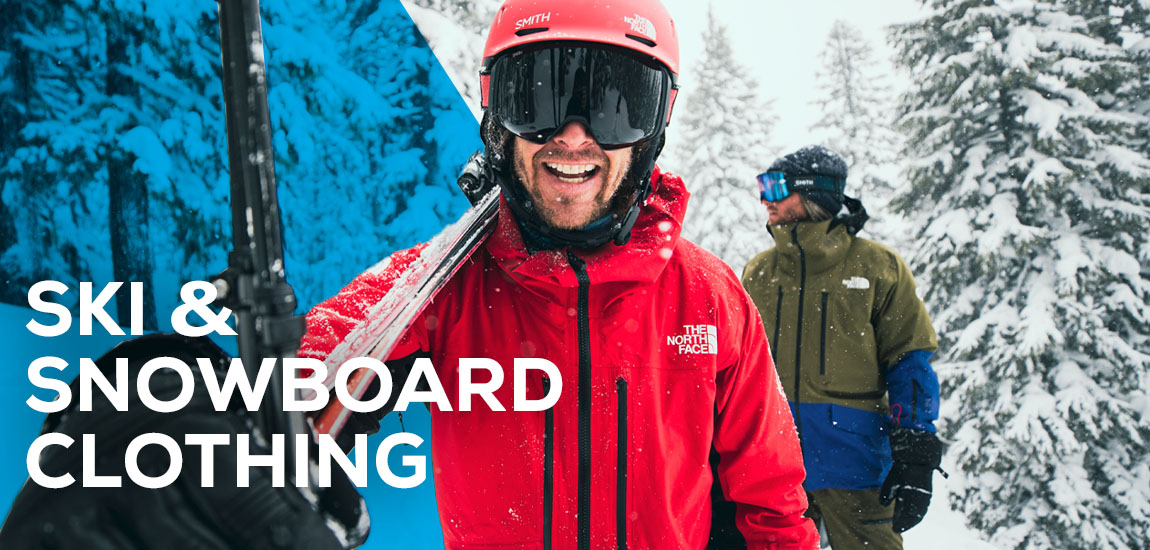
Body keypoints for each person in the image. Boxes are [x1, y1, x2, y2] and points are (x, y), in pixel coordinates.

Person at [299, 1, 819, 548]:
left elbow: (772, 504)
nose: (572, 136)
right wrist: (250, 419)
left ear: (653, 128)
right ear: (497, 117)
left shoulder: (709, 298)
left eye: (615, 105)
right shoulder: (441, 285)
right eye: (537, 99)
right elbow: (306, 367)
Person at [740, 146, 943, 550]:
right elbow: (735, 368)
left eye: (775, 187)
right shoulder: (759, 273)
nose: (766, 199)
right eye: (763, 186)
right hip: (774, 472)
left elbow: (909, 361)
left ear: (812, 193)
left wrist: (916, 449)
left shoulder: (878, 267)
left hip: (856, 469)